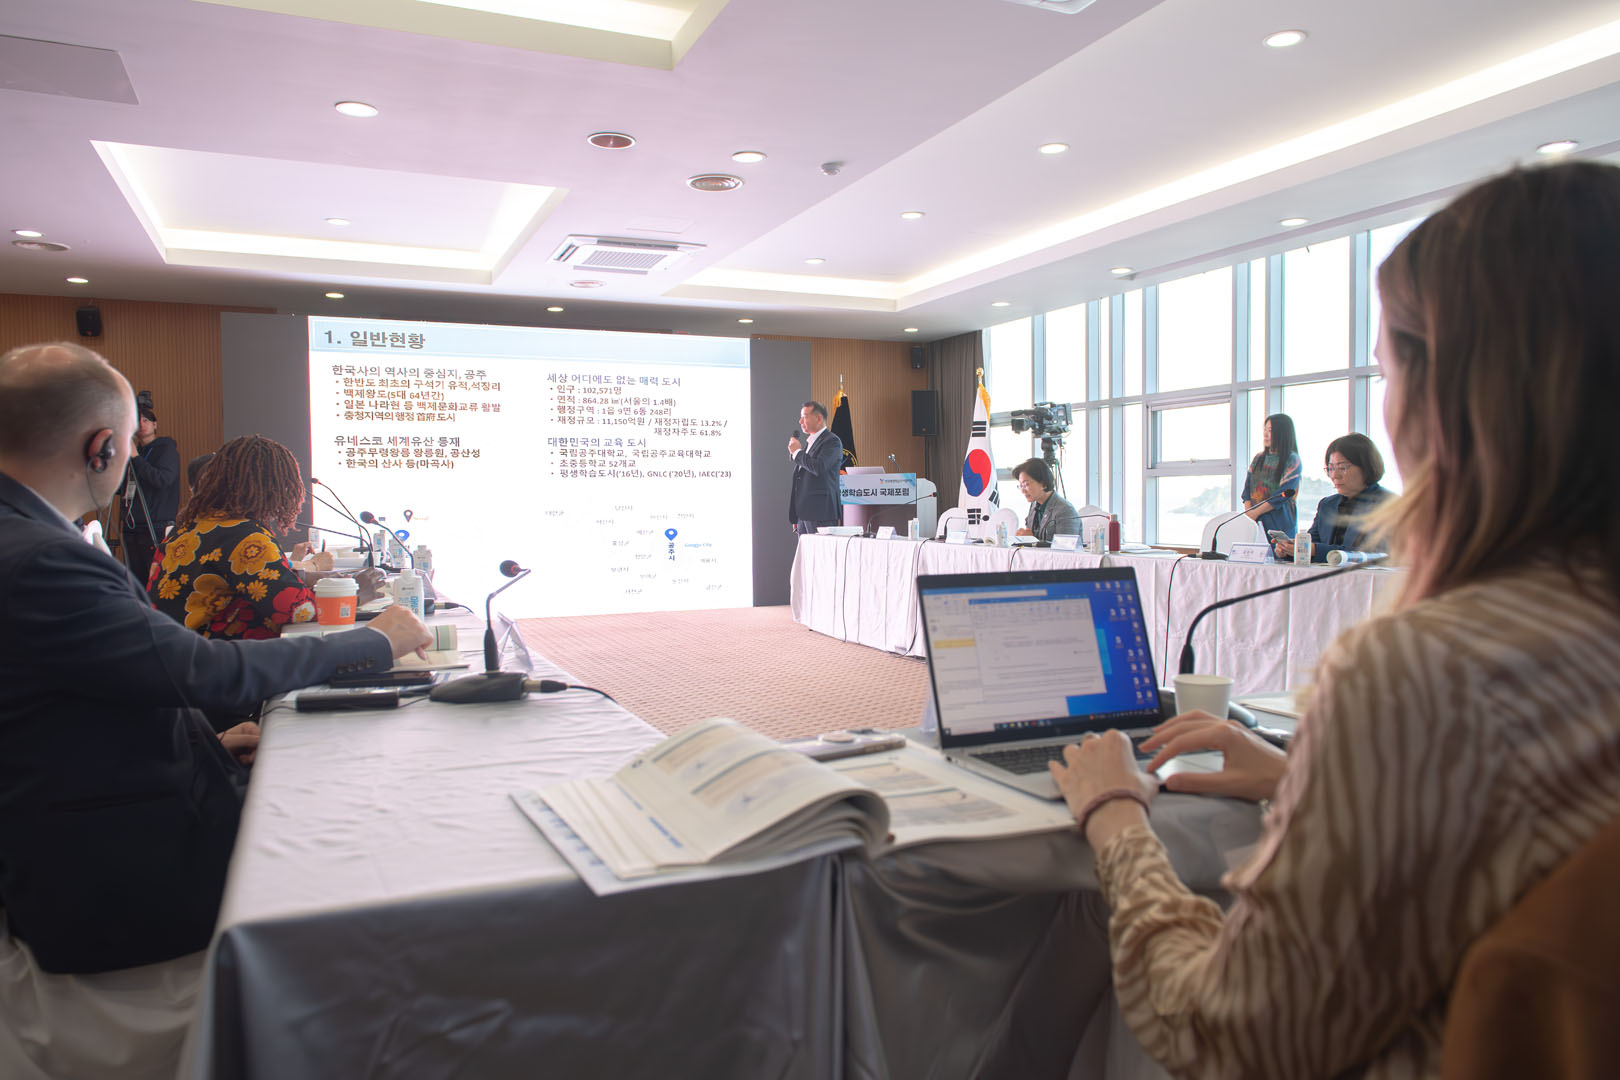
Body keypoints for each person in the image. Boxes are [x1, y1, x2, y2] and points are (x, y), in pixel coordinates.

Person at [1048, 160, 1620, 1078]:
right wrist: (1302, 782)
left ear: (1446, 398)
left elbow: (1226, 1036)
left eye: (1388, 370)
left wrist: (1115, 818)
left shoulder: (1428, 674)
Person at [0, 342, 432, 1076]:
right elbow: (197, 668)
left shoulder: (31, 537)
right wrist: (375, 641)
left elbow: (97, 683)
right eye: (133, 446)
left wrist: (201, 741)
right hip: (116, 879)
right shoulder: (39, 555)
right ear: (103, 447)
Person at [148, 434, 365, 639]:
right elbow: (296, 610)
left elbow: (260, 583)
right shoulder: (247, 537)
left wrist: (311, 579)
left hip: (172, 649)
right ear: (272, 488)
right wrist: (356, 594)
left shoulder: (189, 526)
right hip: (212, 656)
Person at [1274, 432, 1392, 562]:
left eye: (1342, 467)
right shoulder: (1327, 505)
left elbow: (1373, 554)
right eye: (1330, 468)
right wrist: (1291, 550)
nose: (1334, 475)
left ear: (1366, 466)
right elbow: (1312, 544)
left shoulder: (1389, 504)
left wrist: (1314, 549)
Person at [117, 401, 180, 581]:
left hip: (155, 525)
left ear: (155, 425)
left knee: (155, 578)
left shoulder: (166, 449)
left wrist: (136, 458)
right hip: (132, 526)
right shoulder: (134, 453)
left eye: (146, 420)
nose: (142, 424)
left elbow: (162, 479)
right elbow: (121, 487)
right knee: (135, 579)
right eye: (138, 421)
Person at [1239, 412, 1301, 542]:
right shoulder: (1258, 458)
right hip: (1254, 520)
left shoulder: (1292, 459)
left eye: (1270, 430)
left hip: (1279, 520)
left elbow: (1283, 494)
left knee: (1280, 552)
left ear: (1282, 433)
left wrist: (1255, 512)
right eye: (1265, 429)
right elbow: (1247, 489)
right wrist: (1249, 513)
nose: (1265, 434)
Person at [787, 400, 844, 534]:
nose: (800, 421)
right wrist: (795, 513)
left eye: (804, 417)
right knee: (805, 548)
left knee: (821, 548)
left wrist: (797, 452)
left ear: (818, 418)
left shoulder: (832, 441)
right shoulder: (810, 442)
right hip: (803, 514)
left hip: (821, 513)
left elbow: (819, 467)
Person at [1012, 457, 1080, 542]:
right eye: (1021, 486)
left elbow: (1066, 547)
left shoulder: (1065, 510)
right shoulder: (1034, 505)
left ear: (1043, 484)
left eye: (1026, 485)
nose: (1023, 491)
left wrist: (1031, 540)